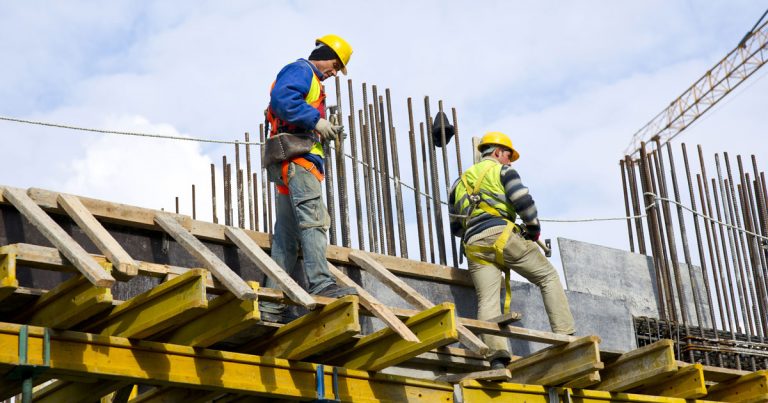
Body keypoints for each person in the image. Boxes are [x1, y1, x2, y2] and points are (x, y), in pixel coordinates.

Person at [448, 131, 575, 369]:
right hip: (503, 236)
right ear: (497, 152)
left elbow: (456, 227)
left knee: (487, 300)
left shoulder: (458, 183)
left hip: (474, 245)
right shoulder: (503, 171)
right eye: (508, 156)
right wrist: (533, 230)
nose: (510, 161)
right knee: (548, 276)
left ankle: (497, 358)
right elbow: (523, 202)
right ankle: (566, 335)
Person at [260, 34, 357, 323]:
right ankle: (321, 283)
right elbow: (282, 100)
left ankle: (271, 304)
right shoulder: (303, 70)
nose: (335, 72)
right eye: (336, 65)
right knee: (314, 221)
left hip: (291, 164)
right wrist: (317, 122)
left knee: (287, 239)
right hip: (299, 163)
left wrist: (323, 129)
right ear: (325, 54)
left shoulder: (312, 82)